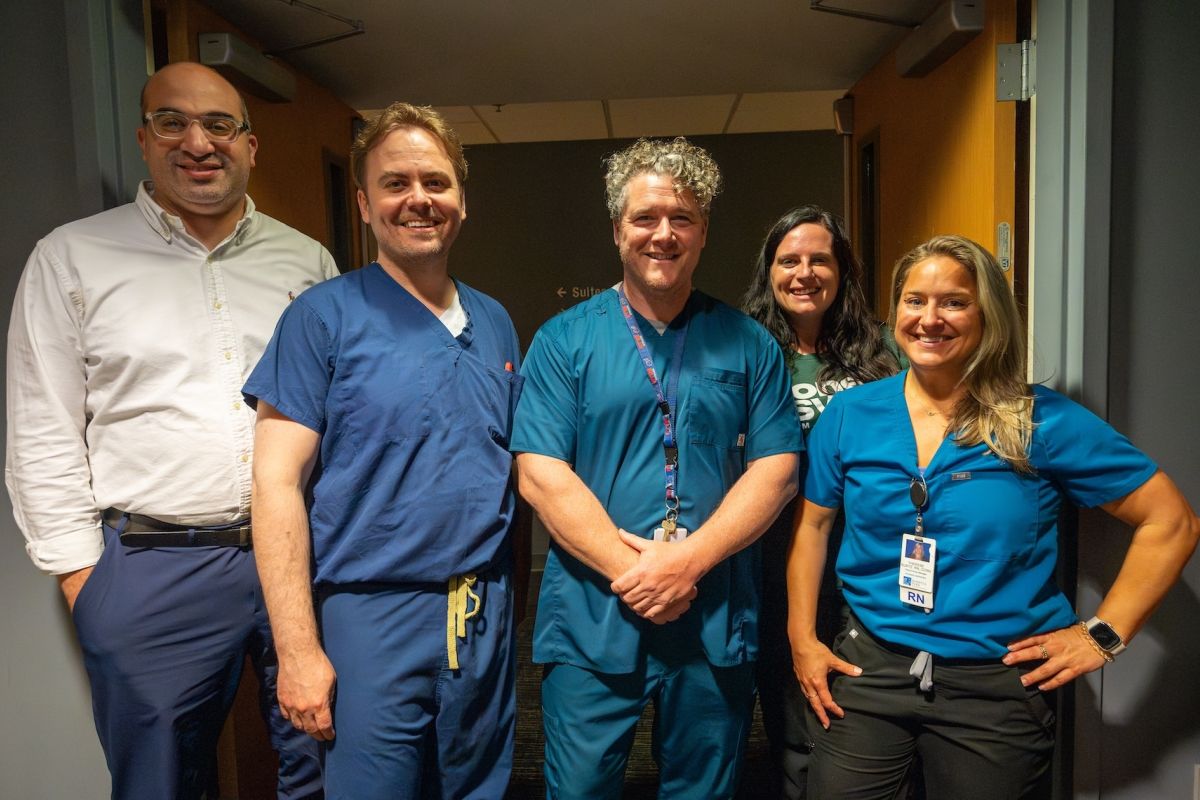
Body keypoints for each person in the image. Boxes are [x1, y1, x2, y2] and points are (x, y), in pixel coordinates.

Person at [5, 62, 333, 799]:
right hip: (150, 566)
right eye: (172, 122)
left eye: (219, 124)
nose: (198, 142)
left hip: (297, 559)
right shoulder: (72, 258)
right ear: (143, 139)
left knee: (321, 764)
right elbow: (40, 429)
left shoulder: (307, 261)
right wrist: (84, 580)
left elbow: (336, 417)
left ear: (251, 145)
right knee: (159, 784)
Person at [789, 234, 1199, 798]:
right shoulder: (850, 414)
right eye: (914, 301)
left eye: (954, 302)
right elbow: (812, 528)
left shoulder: (1039, 421)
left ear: (988, 315)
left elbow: (1171, 522)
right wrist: (802, 638)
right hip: (867, 671)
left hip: (996, 685)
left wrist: (1102, 636)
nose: (930, 319)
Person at [244, 102, 522, 799]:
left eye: (436, 182)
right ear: (365, 204)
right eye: (396, 184)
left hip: (481, 611)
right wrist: (298, 650)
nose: (419, 199)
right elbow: (275, 483)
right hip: (370, 614)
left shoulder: (494, 322)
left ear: (461, 200)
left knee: (478, 787)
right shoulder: (321, 318)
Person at [511, 137, 803, 799]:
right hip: (595, 613)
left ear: (704, 232)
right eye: (645, 218)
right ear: (618, 230)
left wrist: (688, 563)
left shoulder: (748, 343)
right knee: (579, 788)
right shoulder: (564, 340)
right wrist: (639, 575)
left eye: (682, 218)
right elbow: (540, 473)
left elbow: (777, 470)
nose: (662, 234)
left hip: (711, 613)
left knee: (702, 791)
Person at [740, 205, 901, 798]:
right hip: (776, 559)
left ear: (842, 271)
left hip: (869, 561)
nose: (804, 273)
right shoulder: (748, 347)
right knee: (793, 710)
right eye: (789, 261)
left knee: (865, 710)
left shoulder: (885, 349)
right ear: (770, 271)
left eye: (819, 260)